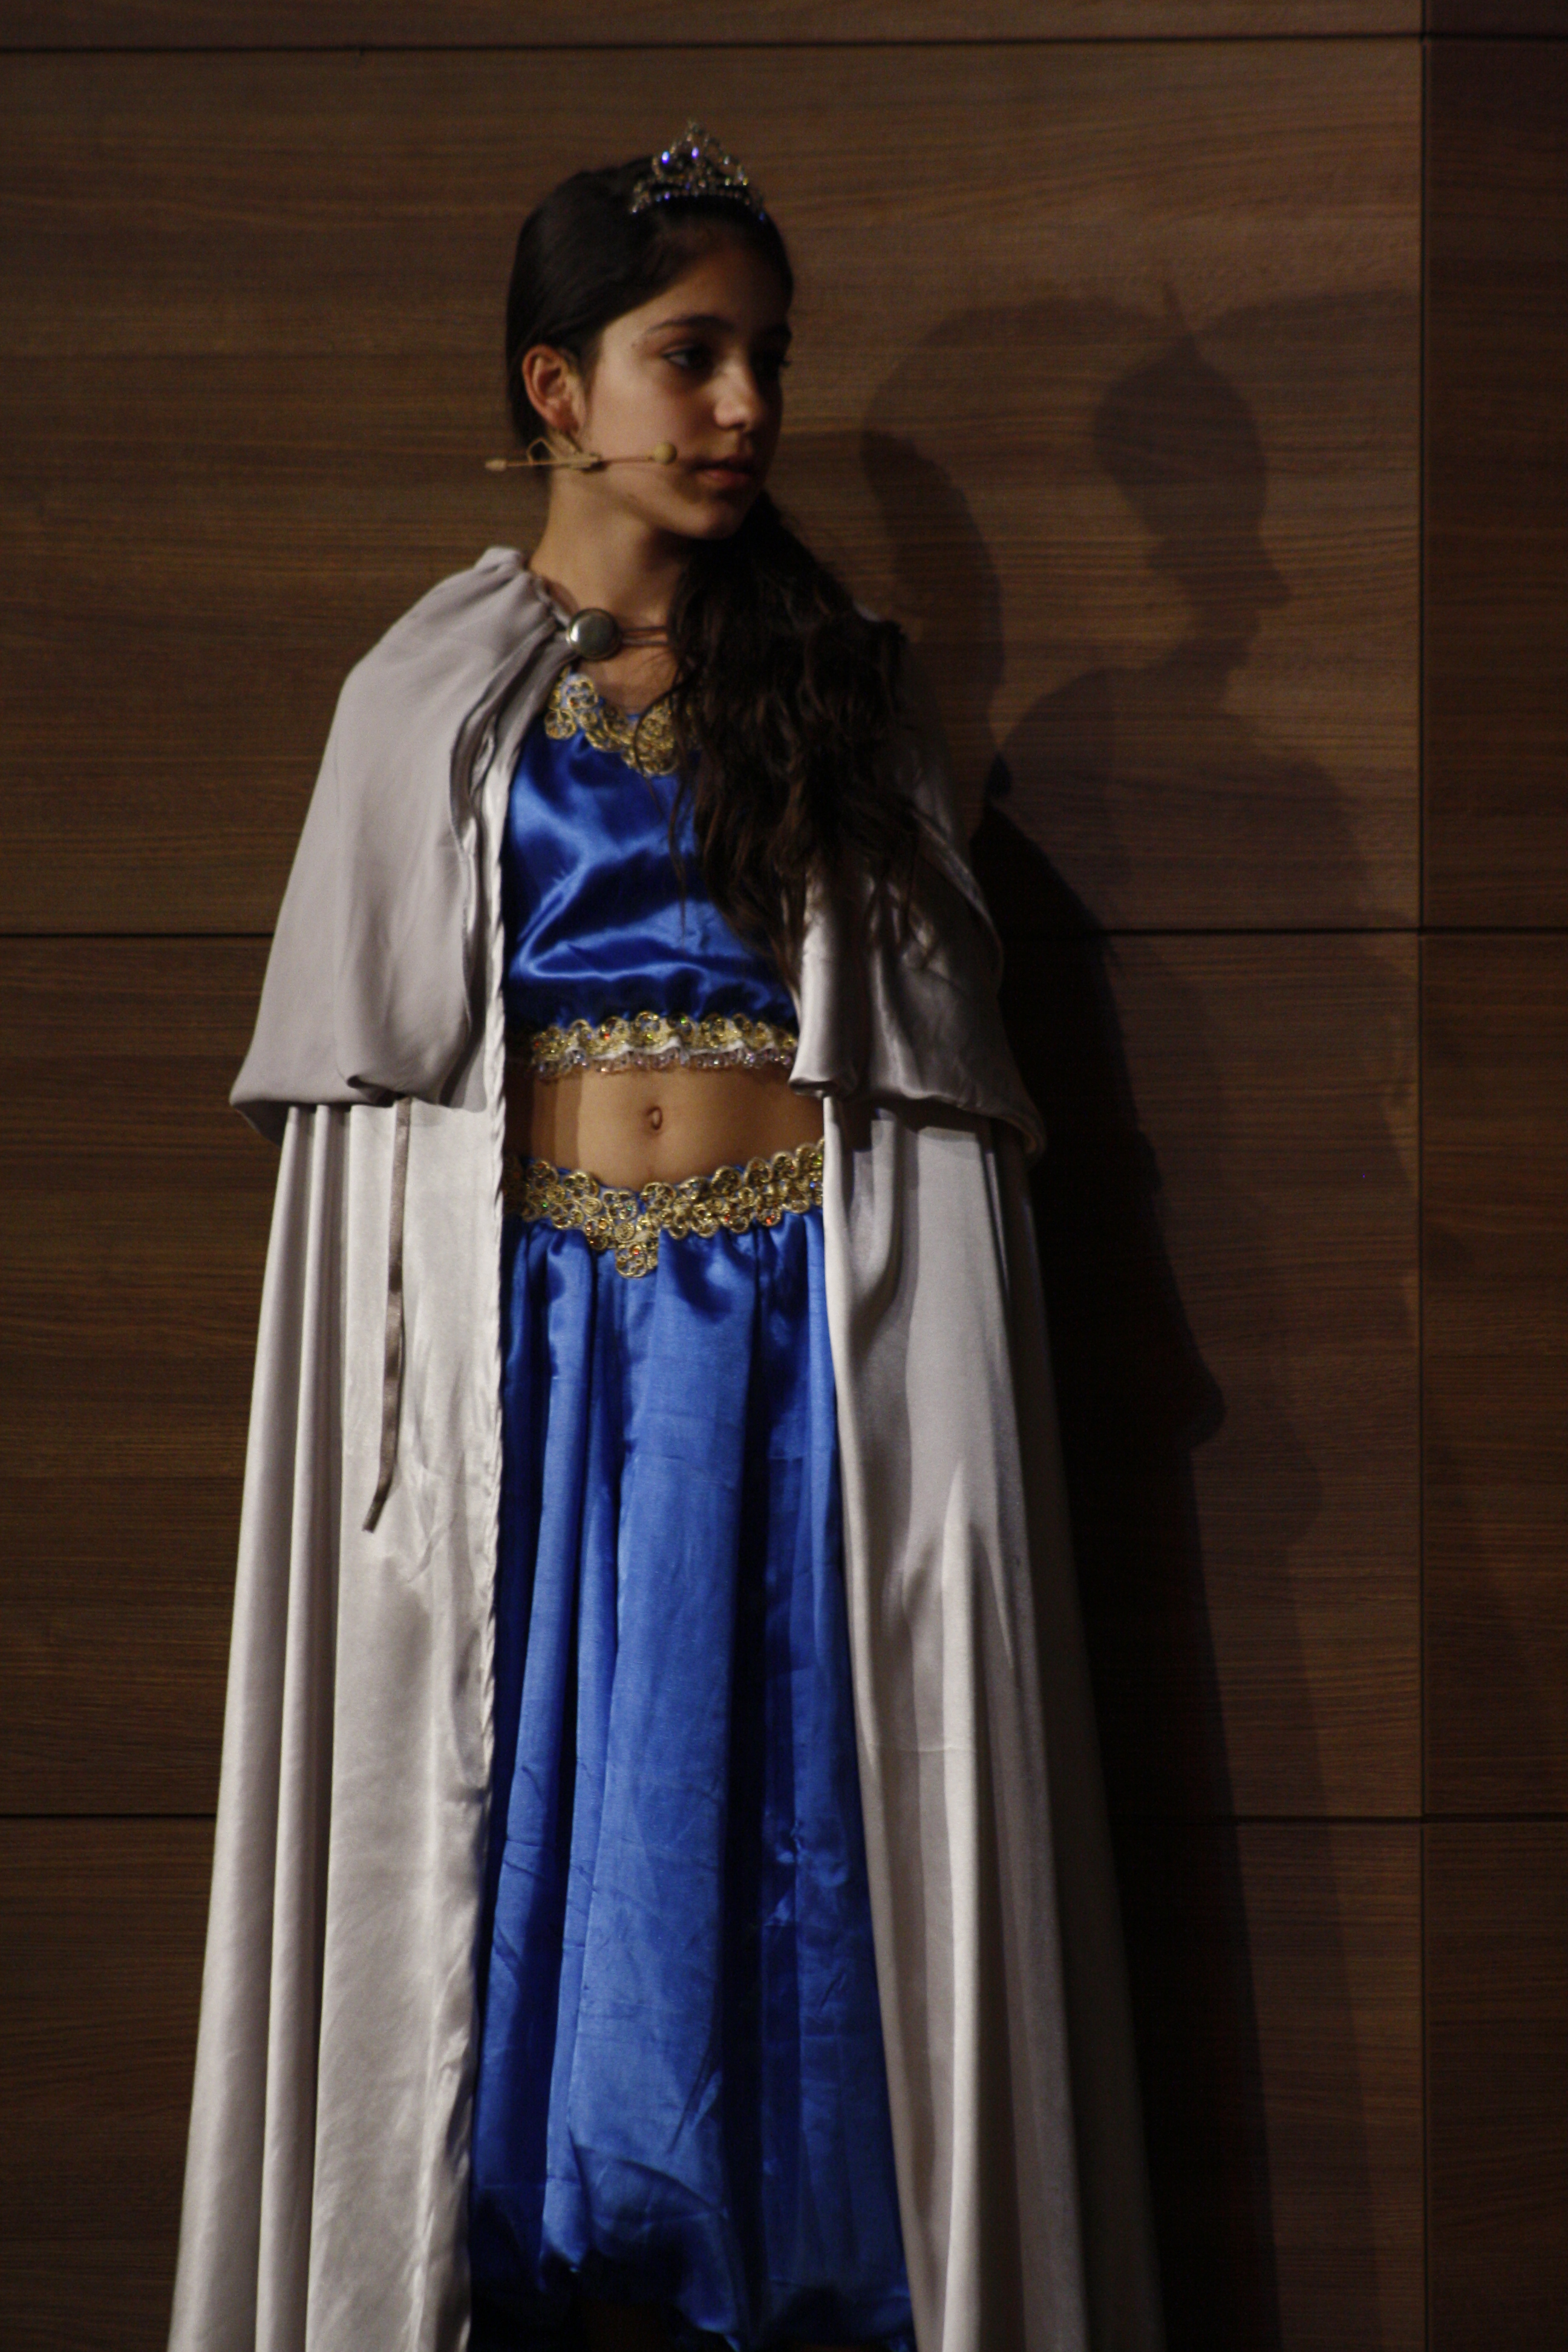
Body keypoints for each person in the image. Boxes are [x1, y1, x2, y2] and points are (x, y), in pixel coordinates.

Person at [168, 128, 1162, 2352]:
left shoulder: (844, 688)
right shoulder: (425, 700)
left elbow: (925, 1078)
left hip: (789, 1329)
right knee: (519, 1819)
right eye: (690, 357)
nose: (743, 408)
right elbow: (375, 1119)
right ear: (558, 386)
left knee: (794, 1815)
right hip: (529, 1336)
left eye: (766, 361)